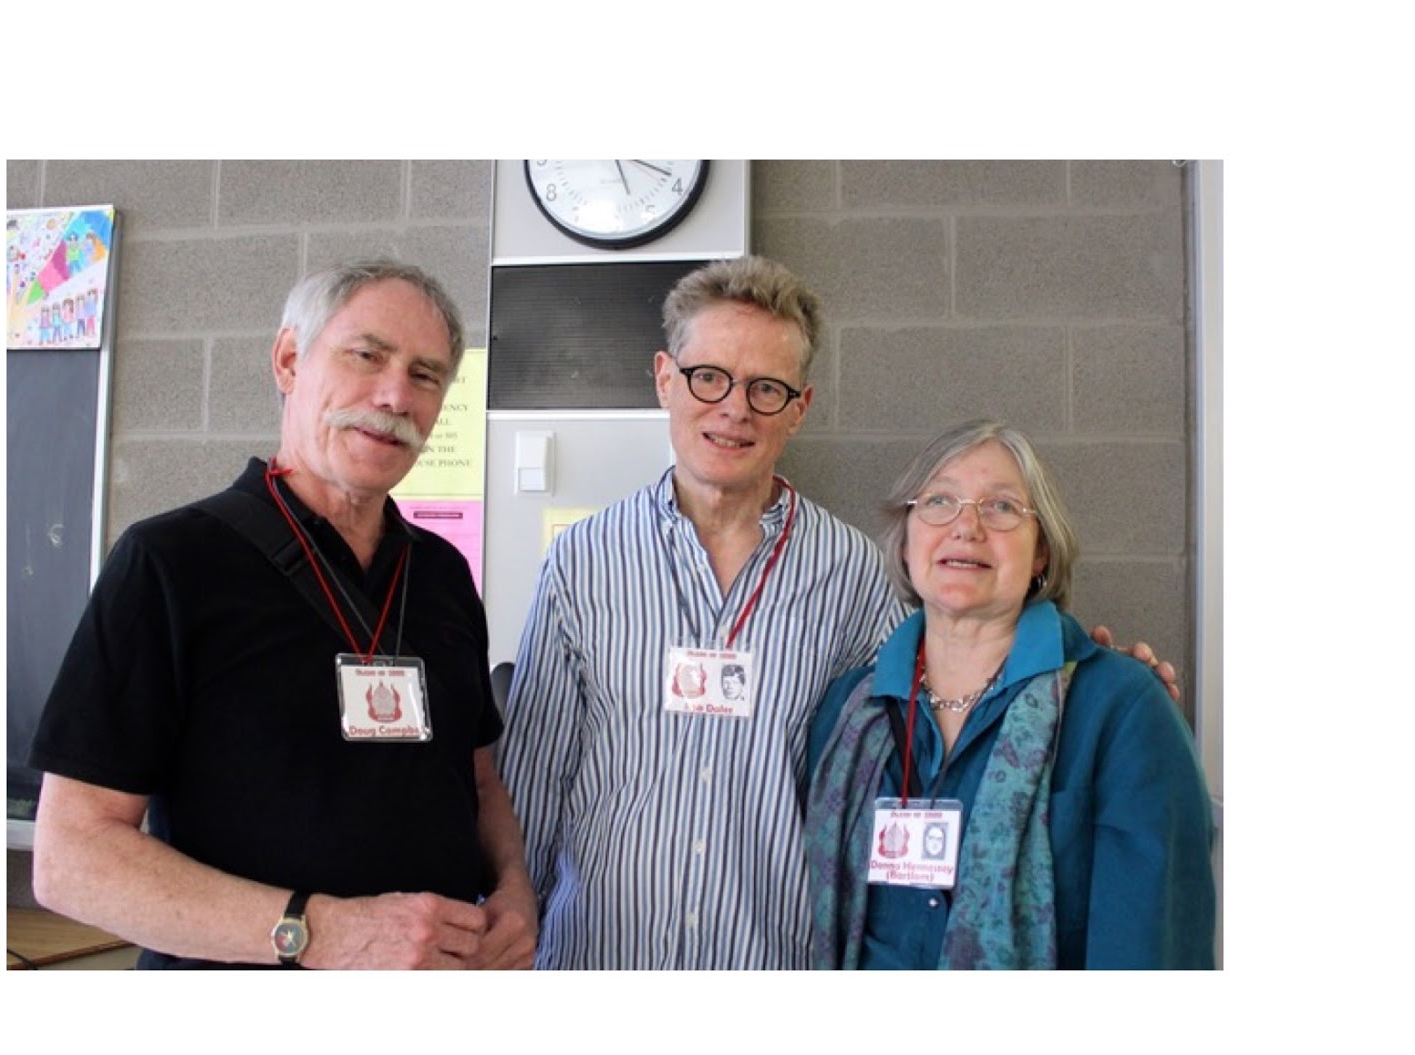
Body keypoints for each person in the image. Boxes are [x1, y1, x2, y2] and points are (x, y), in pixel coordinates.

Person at [497, 256, 1183, 970]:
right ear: (665, 378)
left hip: (770, 969)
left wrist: (1094, 689)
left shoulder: (852, 572)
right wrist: (509, 935)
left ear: (800, 407)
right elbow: (534, 783)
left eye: (766, 388)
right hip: (598, 957)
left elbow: (949, 709)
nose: (734, 409)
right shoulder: (583, 561)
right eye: (709, 377)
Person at [29, 260, 536, 969]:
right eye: (367, 356)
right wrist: (319, 932)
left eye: (425, 375)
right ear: (290, 360)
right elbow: (71, 858)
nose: (395, 395)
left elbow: (478, 782)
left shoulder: (443, 576)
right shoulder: (170, 562)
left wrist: (514, 888)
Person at [805, 420, 1215, 969]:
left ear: (1041, 551)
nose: (966, 527)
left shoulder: (1122, 710)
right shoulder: (850, 710)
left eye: (1001, 507)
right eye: (940, 501)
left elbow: (1152, 951)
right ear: (906, 541)